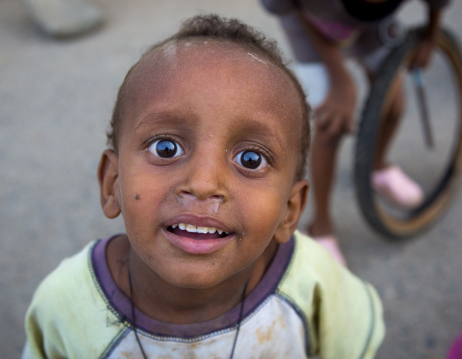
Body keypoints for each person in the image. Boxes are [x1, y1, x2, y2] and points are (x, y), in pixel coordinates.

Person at [22, 14, 384, 358]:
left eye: (251, 159)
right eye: (166, 148)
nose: (203, 184)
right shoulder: (66, 304)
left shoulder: (313, 284)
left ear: (290, 210)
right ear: (111, 183)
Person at [260, 0, 450, 264]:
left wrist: (431, 37)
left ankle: (379, 168)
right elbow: (292, 6)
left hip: (371, 21)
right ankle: (321, 225)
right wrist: (340, 79)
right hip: (309, 20)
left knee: (393, 104)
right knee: (332, 123)